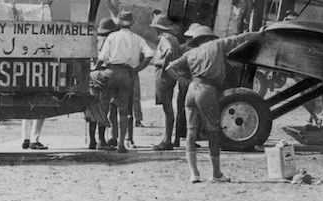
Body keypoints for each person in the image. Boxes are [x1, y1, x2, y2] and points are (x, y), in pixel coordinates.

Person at [166, 26, 259, 183]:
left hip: (191, 90)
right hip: (207, 90)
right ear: (209, 38)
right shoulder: (217, 44)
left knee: (191, 131)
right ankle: (216, 174)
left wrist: (185, 81)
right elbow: (241, 37)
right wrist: (260, 33)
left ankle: (194, 173)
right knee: (213, 131)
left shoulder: (191, 53)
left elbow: (170, 68)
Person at [92, 11, 154, 153]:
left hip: (111, 71)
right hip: (127, 74)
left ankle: (101, 141)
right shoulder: (138, 39)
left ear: (118, 23)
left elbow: (102, 57)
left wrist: (95, 70)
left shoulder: (113, 36)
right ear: (131, 23)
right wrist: (138, 68)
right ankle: (121, 143)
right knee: (123, 110)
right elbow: (150, 54)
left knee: (104, 107)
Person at [150, 13, 183, 151]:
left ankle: (167, 139)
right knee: (169, 108)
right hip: (170, 76)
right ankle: (170, 138)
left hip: (163, 76)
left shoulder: (165, 38)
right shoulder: (174, 38)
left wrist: (162, 63)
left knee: (167, 108)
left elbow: (169, 52)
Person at [86, 18, 117, 149]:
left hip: (91, 75)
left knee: (93, 109)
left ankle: (92, 141)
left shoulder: (93, 41)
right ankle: (101, 140)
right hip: (103, 75)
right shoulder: (110, 42)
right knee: (103, 109)